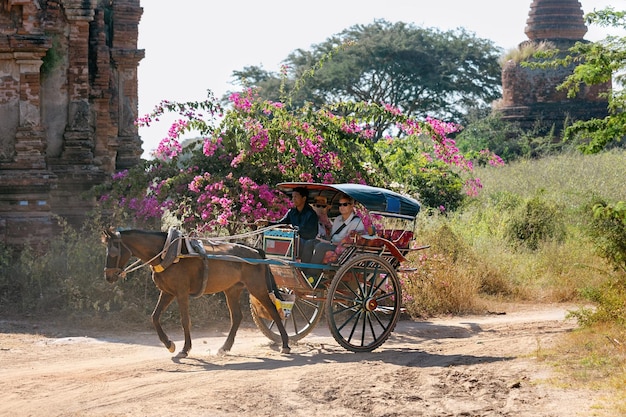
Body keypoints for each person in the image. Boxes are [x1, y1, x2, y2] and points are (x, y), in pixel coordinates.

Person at [308, 194, 369, 268]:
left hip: (344, 250)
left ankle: (312, 273)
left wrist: (327, 242)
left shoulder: (356, 222)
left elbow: (350, 244)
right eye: (340, 205)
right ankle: (302, 270)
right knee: (310, 242)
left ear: (351, 206)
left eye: (345, 204)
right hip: (332, 244)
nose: (342, 207)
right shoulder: (337, 219)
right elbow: (332, 236)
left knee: (320, 246)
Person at [266, 186, 318, 262]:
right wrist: (267, 223)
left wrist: (294, 230)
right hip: (293, 240)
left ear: (304, 198)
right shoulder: (291, 212)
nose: (293, 199)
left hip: (305, 243)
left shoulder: (311, 214)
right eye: (293, 197)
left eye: (296, 197)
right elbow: (280, 224)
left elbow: (311, 233)